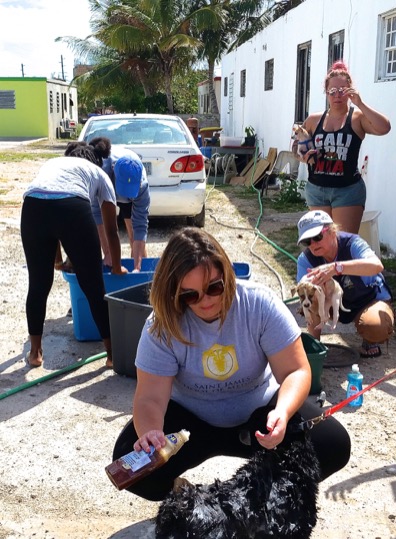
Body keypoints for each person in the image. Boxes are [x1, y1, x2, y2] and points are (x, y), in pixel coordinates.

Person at [112, 228, 351, 501]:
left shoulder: (259, 304)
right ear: (174, 291)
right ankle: (186, 496)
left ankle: (263, 493)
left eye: (215, 287)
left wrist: (282, 413)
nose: (206, 301)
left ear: (227, 274)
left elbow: (296, 370)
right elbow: (150, 397)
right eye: (190, 295)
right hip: (190, 425)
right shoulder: (161, 324)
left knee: (333, 444)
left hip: (259, 415)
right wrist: (151, 433)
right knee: (128, 464)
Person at [20, 140, 126, 368]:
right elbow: (111, 230)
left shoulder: (54, 164)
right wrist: (116, 267)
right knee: (93, 286)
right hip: (71, 208)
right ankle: (112, 355)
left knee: (38, 285)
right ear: (96, 160)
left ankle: (35, 353)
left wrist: (57, 261)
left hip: (32, 206)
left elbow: (50, 209)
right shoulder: (99, 173)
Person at [296, 61, 391, 234]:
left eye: (342, 90)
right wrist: (303, 156)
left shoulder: (357, 118)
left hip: (347, 190)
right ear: (326, 92)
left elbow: (384, 128)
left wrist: (360, 103)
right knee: (321, 243)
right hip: (316, 189)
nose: (337, 95)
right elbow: (298, 147)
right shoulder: (314, 120)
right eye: (332, 91)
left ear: (350, 91)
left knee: (343, 243)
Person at [296, 210, 394, 358]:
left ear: (331, 230)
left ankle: (370, 339)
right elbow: (306, 300)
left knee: (375, 326)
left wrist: (336, 268)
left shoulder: (352, 243)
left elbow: (376, 265)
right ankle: (314, 346)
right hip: (334, 302)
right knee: (310, 296)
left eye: (317, 237)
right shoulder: (306, 260)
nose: (313, 244)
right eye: (307, 241)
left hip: (369, 299)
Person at [93, 139, 150, 272]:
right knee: (110, 228)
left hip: (130, 192)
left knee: (133, 233)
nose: (126, 196)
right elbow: (98, 216)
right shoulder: (102, 173)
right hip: (109, 188)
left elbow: (141, 225)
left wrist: (137, 268)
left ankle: (140, 271)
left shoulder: (142, 185)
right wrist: (108, 253)